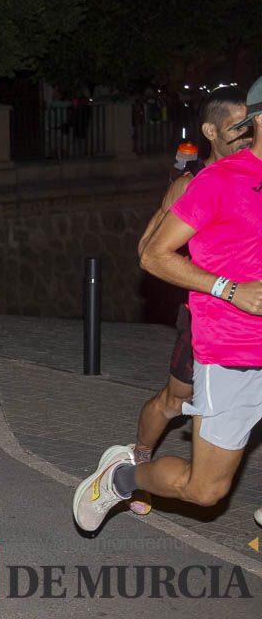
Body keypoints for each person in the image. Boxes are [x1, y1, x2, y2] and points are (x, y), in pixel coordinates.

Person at [77, 75, 262, 534]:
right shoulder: (215, 182)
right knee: (205, 491)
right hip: (234, 351)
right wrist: (231, 289)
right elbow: (152, 255)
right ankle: (122, 478)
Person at [128, 87, 249, 514]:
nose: (247, 133)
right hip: (206, 319)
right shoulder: (192, 185)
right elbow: (149, 250)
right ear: (210, 131)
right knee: (174, 400)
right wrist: (213, 277)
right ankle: (138, 459)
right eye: (238, 126)